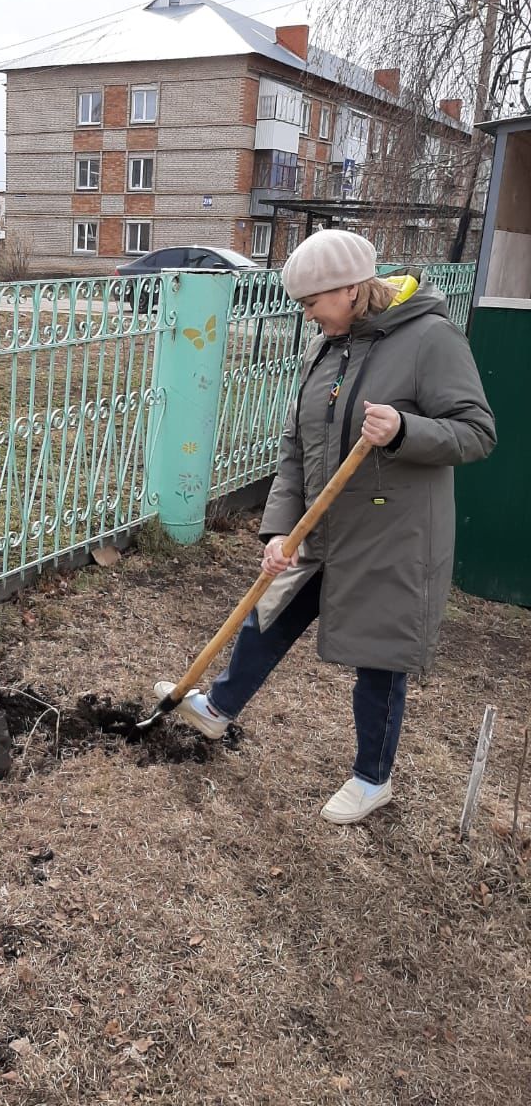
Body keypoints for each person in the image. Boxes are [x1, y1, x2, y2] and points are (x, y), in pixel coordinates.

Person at [155, 230, 496, 824]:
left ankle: (372, 779)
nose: (305, 314)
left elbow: (476, 432)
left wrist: (406, 431)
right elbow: (296, 446)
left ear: (348, 289)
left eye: (311, 302)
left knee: (380, 657)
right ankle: (218, 709)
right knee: (272, 611)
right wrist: (279, 532)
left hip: (395, 534)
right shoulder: (327, 346)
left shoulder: (430, 338)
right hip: (323, 525)